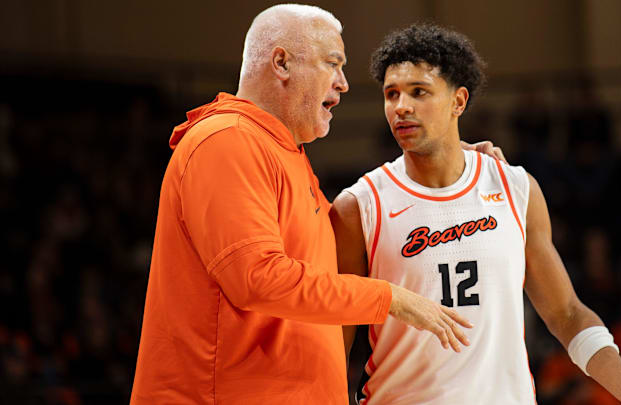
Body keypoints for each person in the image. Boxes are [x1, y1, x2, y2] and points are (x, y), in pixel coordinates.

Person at [128, 5, 513, 405]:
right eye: (333, 63)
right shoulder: (228, 140)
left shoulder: (282, 152)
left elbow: (334, 247)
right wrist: (390, 297)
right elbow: (256, 278)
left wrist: (444, 157)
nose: (344, 84)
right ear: (281, 63)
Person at [331, 23, 621, 405]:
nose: (400, 106)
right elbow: (334, 340)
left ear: (458, 102)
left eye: (418, 92)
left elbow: (568, 316)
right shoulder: (360, 206)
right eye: (391, 94)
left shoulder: (515, 188)